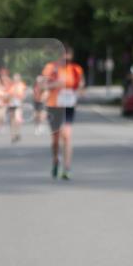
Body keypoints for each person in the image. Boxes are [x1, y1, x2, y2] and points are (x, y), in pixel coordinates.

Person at [42, 45, 85, 179]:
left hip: (68, 106)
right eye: (63, 55)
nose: (65, 58)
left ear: (71, 56)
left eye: (68, 55)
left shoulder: (76, 69)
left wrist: (77, 94)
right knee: (55, 140)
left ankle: (67, 168)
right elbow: (42, 85)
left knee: (66, 135)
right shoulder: (50, 68)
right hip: (53, 106)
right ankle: (56, 160)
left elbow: (81, 86)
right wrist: (55, 84)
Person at [6, 73, 27, 143]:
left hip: (18, 104)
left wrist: (21, 100)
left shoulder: (22, 85)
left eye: (17, 78)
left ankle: (17, 133)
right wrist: (10, 96)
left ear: (19, 78)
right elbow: (7, 94)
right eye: (14, 78)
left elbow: (24, 95)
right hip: (11, 104)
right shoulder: (10, 85)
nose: (15, 79)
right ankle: (13, 135)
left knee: (17, 120)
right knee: (12, 120)